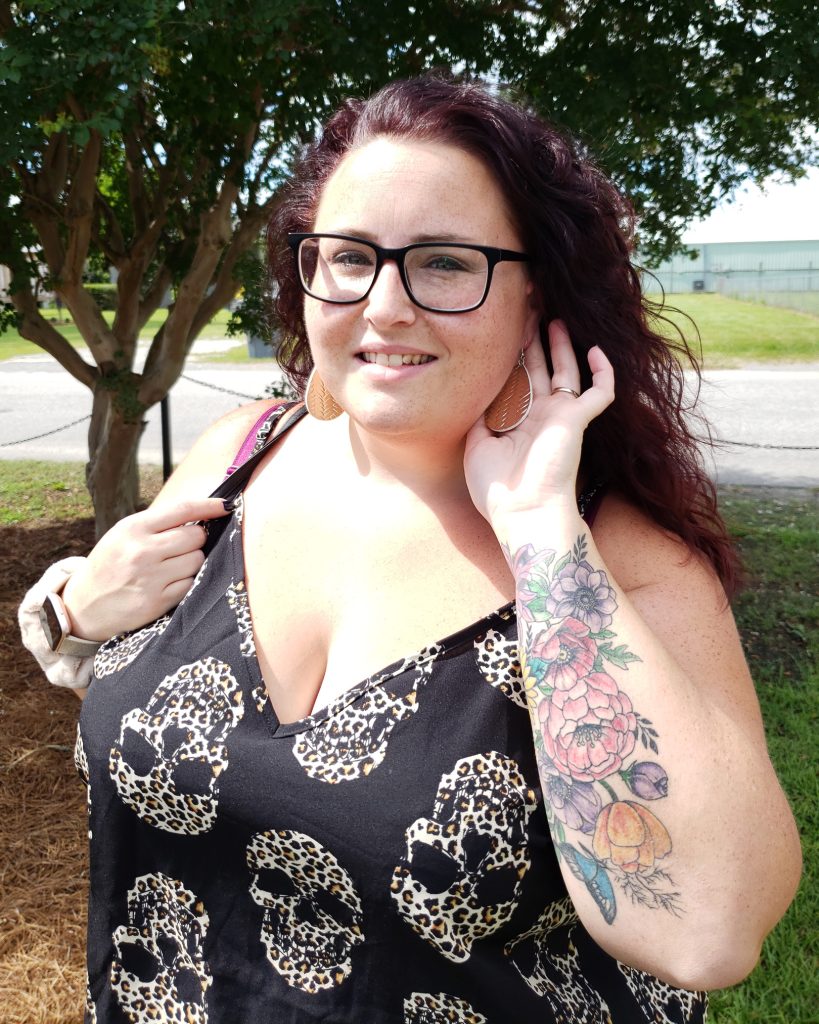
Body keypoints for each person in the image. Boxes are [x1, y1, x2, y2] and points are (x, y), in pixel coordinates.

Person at [19, 75, 800, 1024]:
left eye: (441, 261)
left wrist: (537, 529)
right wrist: (73, 620)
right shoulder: (240, 458)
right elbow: (150, 689)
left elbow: (706, 933)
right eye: (348, 257)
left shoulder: (619, 565)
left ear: (537, 295)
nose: (382, 305)